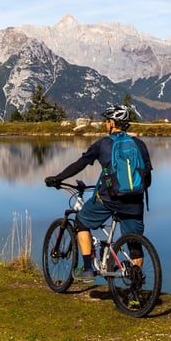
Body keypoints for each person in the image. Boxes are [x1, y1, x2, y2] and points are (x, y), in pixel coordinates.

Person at [44, 104, 153, 282]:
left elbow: (80, 164)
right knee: (134, 243)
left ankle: (88, 268)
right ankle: (135, 285)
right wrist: (134, 192)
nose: (105, 124)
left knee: (80, 221)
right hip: (135, 202)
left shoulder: (103, 144)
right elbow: (147, 176)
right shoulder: (139, 145)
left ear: (112, 123)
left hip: (109, 199)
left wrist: (58, 178)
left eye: (107, 121)